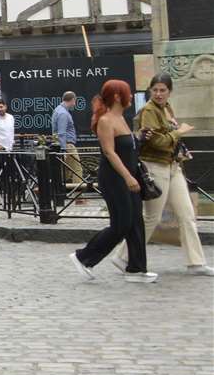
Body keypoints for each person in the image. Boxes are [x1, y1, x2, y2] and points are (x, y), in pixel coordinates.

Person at [114, 73, 212, 277]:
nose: (158, 94)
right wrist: (179, 132)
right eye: (155, 90)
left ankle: (196, 262)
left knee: (186, 214)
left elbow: (167, 138)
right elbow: (156, 142)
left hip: (172, 166)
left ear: (169, 92)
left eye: (162, 90)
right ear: (150, 90)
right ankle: (122, 257)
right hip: (155, 166)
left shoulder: (167, 108)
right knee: (152, 216)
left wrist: (177, 142)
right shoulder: (149, 110)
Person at [71, 79, 156, 283]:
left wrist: (139, 138)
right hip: (114, 179)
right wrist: (127, 177)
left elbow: (125, 146)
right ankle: (84, 257)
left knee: (136, 221)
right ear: (118, 97)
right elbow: (109, 152)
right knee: (122, 223)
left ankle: (136, 269)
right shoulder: (106, 120)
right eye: (128, 92)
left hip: (129, 176)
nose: (132, 96)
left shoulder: (121, 118)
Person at [52, 91, 81, 193]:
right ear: (73, 100)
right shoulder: (63, 113)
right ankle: (79, 196)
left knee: (65, 171)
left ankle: (57, 192)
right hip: (68, 145)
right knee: (77, 169)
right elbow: (62, 133)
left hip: (64, 144)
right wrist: (64, 149)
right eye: (75, 101)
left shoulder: (58, 110)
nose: (75, 104)